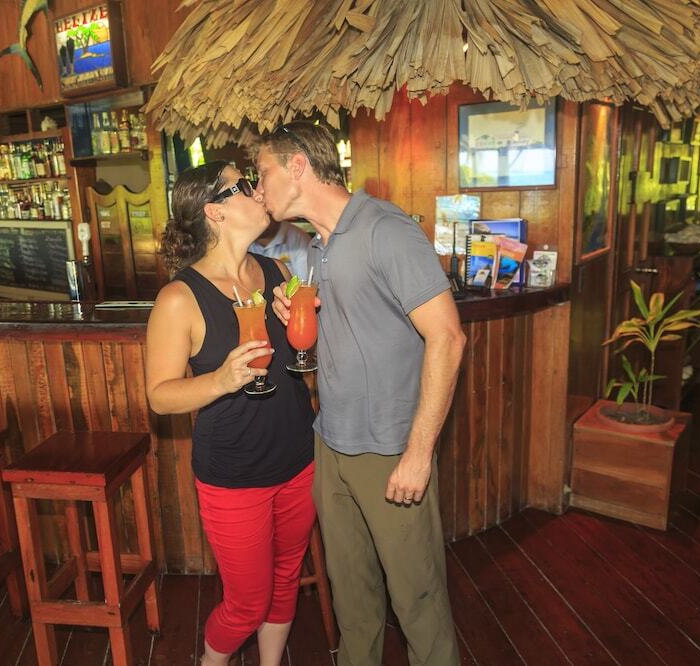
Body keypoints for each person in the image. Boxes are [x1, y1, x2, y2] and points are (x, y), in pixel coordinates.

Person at [256, 122, 466, 666]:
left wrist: (418, 454)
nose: (259, 189)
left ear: (298, 167)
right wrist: (295, 313)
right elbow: (353, 329)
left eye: (262, 173)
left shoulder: (385, 230)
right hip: (332, 443)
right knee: (352, 600)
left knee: (417, 602)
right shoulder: (317, 246)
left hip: (390, 449)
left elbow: (448, 337)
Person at [145, 161, 316, 666]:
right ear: (214, 212)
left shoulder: (278, 272)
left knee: (286, 579)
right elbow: (159, 396)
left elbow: (299, 359)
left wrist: (309, 327)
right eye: (243, 186)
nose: (257, 190)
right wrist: (221, 380)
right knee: (246, 604)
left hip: (299, 458)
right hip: (234, 474)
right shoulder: (179, 298)